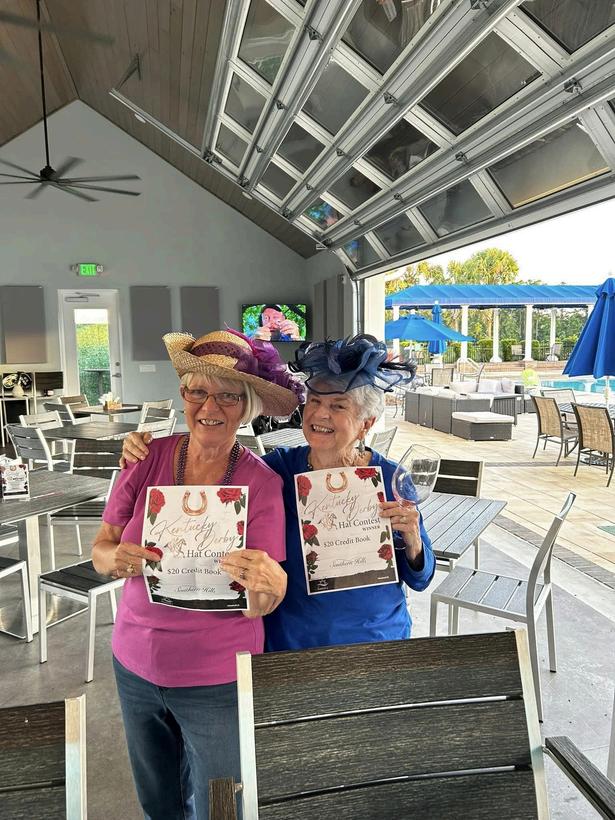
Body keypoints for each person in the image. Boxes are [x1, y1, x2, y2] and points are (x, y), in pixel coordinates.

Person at [92, 328, 302, 820]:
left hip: (216, 677)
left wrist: (271, 586)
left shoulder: (261, 482)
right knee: (158, 802)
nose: (210, 406)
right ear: (183, 395)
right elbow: (101, 548)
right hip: (134, 664)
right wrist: (113, 558)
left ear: (247, 406)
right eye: (198, 391)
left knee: (222, 805)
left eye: (228, 396)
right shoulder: (145, 457)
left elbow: (259, 603)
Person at [123, 334, 435, 653]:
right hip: (290, 642)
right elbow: (211, 470)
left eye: (338, 406)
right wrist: (144, 451)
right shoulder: (276, 471)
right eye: (314, 401)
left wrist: (413, 540)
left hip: (375, 640)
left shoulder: (390, 479)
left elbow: (421, 579)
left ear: (366, 423)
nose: (320, 414)